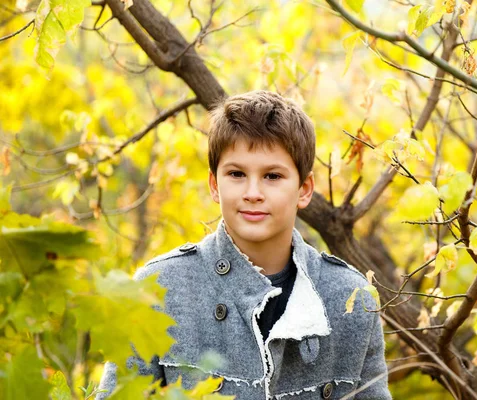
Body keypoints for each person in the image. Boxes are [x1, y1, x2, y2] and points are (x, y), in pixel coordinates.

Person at [96, 90, 391, 399]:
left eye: (272, 176)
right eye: (236, 174)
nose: (253, 192)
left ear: (304, 189)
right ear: (214, 185)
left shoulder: (351, 299)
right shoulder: (157, 289)